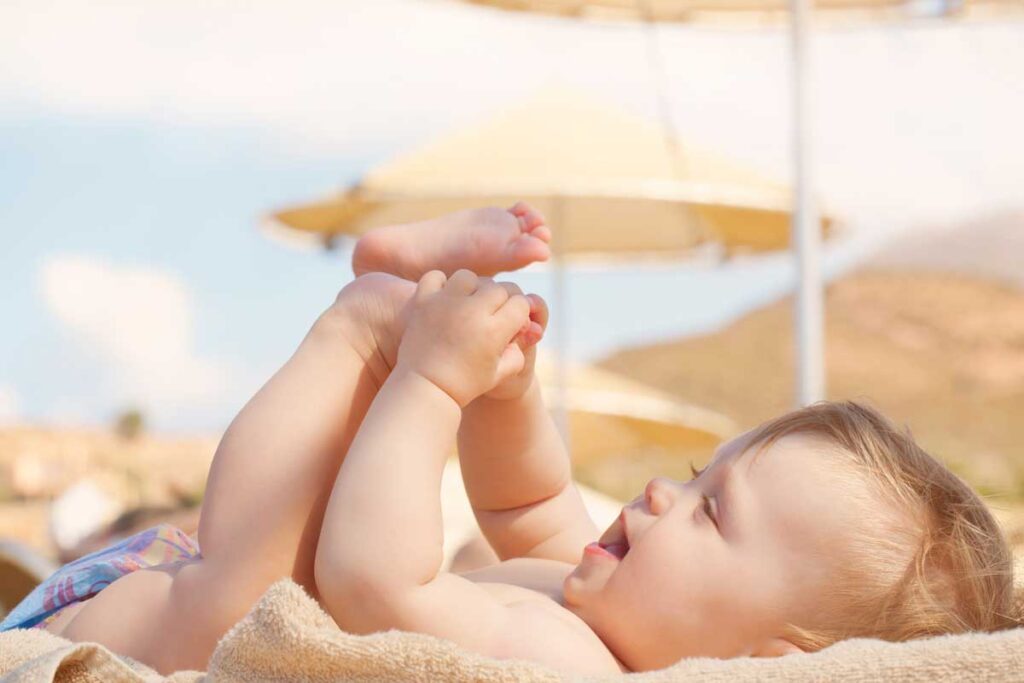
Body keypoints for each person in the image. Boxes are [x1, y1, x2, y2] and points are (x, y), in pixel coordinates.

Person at [2, 204, 1016, 676]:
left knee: (241, 592)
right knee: (259, 565)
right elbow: (525, 501)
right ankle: (399, 298)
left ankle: (368, 315)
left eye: (713, 509)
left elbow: (375, 580)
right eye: (699, 472)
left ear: (761, 656)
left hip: (136, 619)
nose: (665, 491)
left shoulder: (570, 662)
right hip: (161, 573)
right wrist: (506, 388)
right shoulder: (589, 599)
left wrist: (435, 377)